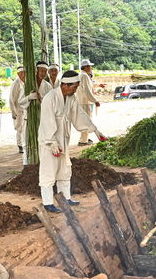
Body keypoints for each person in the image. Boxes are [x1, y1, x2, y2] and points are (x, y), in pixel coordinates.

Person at [39, 70, 107, 212]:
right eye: (74, 87)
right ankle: (48, 203)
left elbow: (79, 115)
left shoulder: (71, 98)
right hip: (48, 141)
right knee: (49, 170)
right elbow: (47, 121)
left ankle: (66, 198)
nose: (75, 90)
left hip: (63, 140)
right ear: (65, 85)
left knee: (64, 169)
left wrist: (95, 130)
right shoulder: (50, 98)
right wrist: (51, 142)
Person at [17, 62, 54, 165]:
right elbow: (20, 101)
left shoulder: (47, 86)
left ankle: (40, 162)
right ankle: (26, 163)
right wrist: (29, 97)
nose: (43, 73)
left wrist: (41, 99)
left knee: (42, 141)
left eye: (45, 71)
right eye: (41, 70)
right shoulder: (27, 85)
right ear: (36, 71)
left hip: (42, 118)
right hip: (28, 117)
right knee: (26, 141)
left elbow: (51, 103)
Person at [76, 59, 100, 146]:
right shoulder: (84, 76)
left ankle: (85, 138)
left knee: (86, 121)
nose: (91, 68)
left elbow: (89, 87)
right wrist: (95, 100)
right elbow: (87, 91)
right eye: (89, 66)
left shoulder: (83, 75)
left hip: (84, 101)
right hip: (85, 102)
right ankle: (83, 140)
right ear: (86, 67)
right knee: (86, 121)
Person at [9, 66, 26, 154]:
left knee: (24, 127)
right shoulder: (16, 83)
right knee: (19, 128)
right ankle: (20, 145)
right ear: (18, 74)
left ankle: (23, 144)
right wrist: (13, 111)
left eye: (25, 72)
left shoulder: (26, 82)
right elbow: (12, 99)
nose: (24, 74)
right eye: (22, 73)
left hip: (25, 109)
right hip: (18, 109)